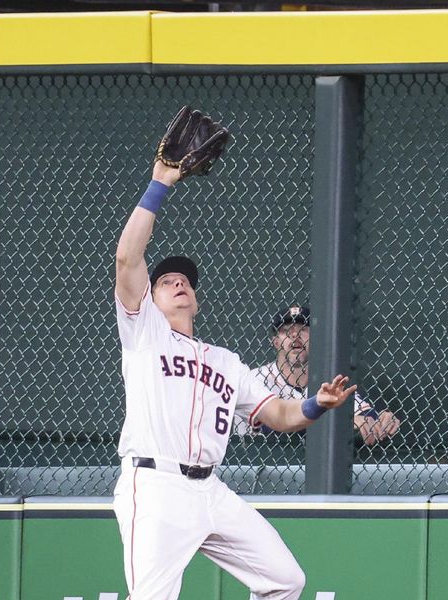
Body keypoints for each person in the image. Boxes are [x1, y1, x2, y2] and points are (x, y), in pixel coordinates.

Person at [113, 127, 357, 599]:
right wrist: (161, 181)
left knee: (285, 581)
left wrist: (316, 405)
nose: (179, 283)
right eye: (167, 282)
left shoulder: (225, 362)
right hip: (156, 484)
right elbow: (127, 257)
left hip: (210, 491)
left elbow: (280, 415)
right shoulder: (145, 332)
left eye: (186, 280)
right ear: (151, 297)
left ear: (197, 299)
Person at [238, 304, 401, 446]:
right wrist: (342, 425)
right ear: (275, 342)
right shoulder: (256, 379)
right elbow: (273, 428)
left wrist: (379, 421)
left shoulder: (328, 381)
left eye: (303, 330)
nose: (295, 335)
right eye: (287, 331)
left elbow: (364, 415)